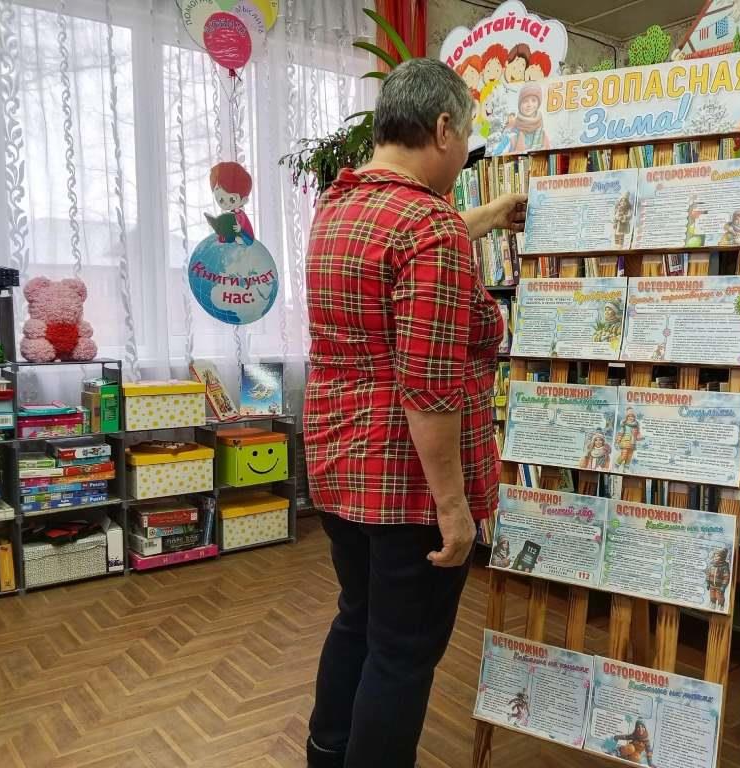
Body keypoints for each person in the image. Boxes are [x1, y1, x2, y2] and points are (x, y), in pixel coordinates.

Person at [304, 58, 526, 768]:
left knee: (359, 622)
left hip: (339, 468)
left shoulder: (340, 205)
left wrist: (487, 216)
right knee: (402, 652)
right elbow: (430, 387)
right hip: (407, 486)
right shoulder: (430, 229)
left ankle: (326, 755)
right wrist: (454, 509)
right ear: (442, 127)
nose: (465, 155)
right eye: (467, 137)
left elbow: (413, 240)